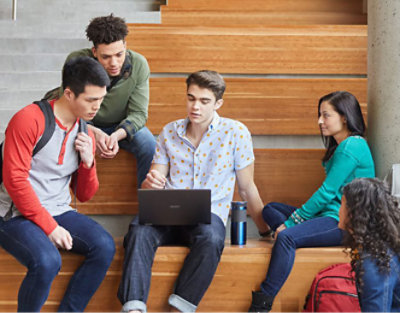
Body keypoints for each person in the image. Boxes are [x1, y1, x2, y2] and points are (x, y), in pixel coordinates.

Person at [117, 70, 267, 312]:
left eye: (204, 101)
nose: (195, 106)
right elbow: (154, 180)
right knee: (138, 229)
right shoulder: (169, 132)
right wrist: (149, 184)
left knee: (212, 238)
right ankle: (134, 307)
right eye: (191, 98)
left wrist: (264, 229)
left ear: (218, 103)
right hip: (168, 212)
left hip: (208, 217)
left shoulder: (235, 132)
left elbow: (247, 187)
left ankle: (180, 307)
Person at [0, 56, 116, 312]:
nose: (97, 106)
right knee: (47, 261)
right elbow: (15, 181)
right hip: (12, 214)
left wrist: (88, 163)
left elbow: (84, 195)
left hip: (58, 209)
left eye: (101, 99)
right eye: (91, 100)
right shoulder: (29, 119)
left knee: (105, 245)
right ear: (69, 93)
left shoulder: (84, 130)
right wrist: (49, 227)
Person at [248, 91, 375, 312]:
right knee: (270, 209)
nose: (319, 121)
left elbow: (327, 192)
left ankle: (262, 304)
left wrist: (290, 224)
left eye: (326, 115)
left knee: (286, 238)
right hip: (327, 214)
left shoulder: (352, 145)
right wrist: (295, 220)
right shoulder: (342, 146)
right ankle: (295, 234)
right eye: (319, 115)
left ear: (344, 117)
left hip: (342, 222)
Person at [45, 14, 156, 187]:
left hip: (119, 126)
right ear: (94, 52)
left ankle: (148, 211)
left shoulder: (139, 64)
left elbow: (139, 114)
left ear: (126, 46)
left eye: (119, 54)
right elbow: (67, 110)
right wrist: (93, 132)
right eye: (106, 57)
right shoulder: (77, 61)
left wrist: (115, 136)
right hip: (82, 124)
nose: (114, 63)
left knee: (149, 144)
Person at [339, 177, 400, 312]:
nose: (339, 210)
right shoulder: (383, 251)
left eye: (342, 203)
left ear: (354, 212)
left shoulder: (376, 263)